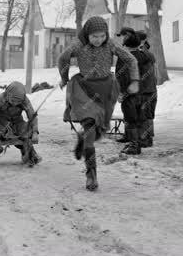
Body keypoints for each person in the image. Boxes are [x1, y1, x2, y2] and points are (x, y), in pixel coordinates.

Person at [58, 16, 139, 191]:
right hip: (85, 90)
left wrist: (134, 81)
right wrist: (64, 78)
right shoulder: (79, 45)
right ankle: (91, 174)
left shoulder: (110, 44)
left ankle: (82, 139)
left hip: (106, 90)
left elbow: (131, 60)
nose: (98, 40)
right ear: (87, 34)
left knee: (99, 130)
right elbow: (63, 58)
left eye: (102, 36)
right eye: (94, 36)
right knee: (90, 128)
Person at [0, 81, 41, 168]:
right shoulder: (0, 99)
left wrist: (35, 132)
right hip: (0, 123)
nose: (15, 103)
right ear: (8, 94)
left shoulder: (25, 100)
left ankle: (28, 153)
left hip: (17, 122)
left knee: (27, 131)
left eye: (18, 101)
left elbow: (32, 116)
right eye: (13, 100)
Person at [115, 28, 157, 154]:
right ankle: (142, 140)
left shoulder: (125, 57)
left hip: (132, 93)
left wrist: (122, 93)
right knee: (142, 117)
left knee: (131, 119)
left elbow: (122, 76)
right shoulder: (147, 55)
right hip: (146, 91)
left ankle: (134, 145)